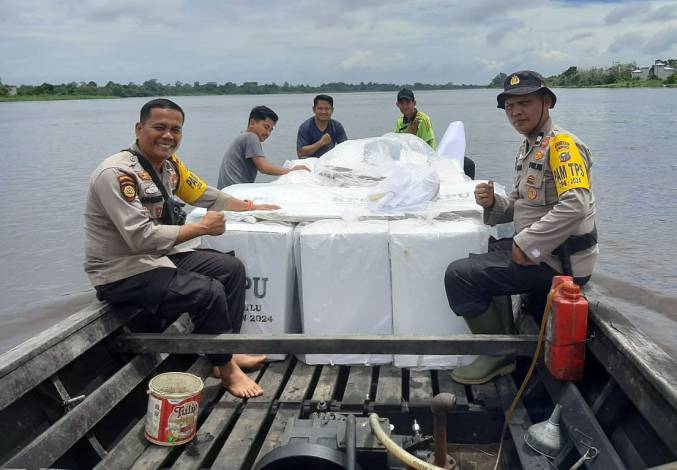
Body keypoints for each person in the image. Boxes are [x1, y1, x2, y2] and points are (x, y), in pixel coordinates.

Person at [85, 98, 280, 398]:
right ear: (139, 129)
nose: (168, 136)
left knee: (230, 269)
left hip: (156, 258)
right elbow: (139, 238)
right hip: (121, 271)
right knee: (207, 291)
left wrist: (250, 206)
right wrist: (201, 228)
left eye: (175, 129)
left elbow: (204, 194)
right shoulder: (117, 174)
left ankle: (225, 351)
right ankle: (227, 371)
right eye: (159, 127)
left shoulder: (169, 166)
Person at [444, 71, 598, 385]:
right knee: (484, 252)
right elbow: (522, 203)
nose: (516, 112)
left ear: (547, 102)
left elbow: (576, 204)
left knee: (458, 275)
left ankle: (497, 354)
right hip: (545, 253)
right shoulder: (529, 146)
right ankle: (505, 341)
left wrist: (527, 244)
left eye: (525, 103)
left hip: (561, 264)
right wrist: (492, 203)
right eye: (510, 106)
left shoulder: (563, 147)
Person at [217, 105, 308, 188]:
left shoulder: (243, 136)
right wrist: (291, 171)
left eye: (271, 130)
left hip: (227, 189)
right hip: (233, 192)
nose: (268, 133)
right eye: (266, 127)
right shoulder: (251, 137)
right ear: (252, 123)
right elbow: (263, 167)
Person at [394, 88, 476, 178]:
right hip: (409, 160)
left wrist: (410, 136)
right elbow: (400, 146)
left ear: (414, 103)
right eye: (402, 103)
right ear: (397, 104)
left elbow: (426, 147)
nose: (405, 107)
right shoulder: (399, 122)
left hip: (426, 160)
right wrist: (409, 135)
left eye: (408, 103)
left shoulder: (423, 120)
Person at [296, 94, 348, 158]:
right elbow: (300, 153)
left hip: (329, 161)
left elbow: (346, 147)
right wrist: (321, 142)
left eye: (327, 109)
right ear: (314, 109)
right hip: (310, 163)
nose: (323, 112)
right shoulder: (305, 127)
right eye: (320, 108)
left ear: (332, 110)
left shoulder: (337, 126)